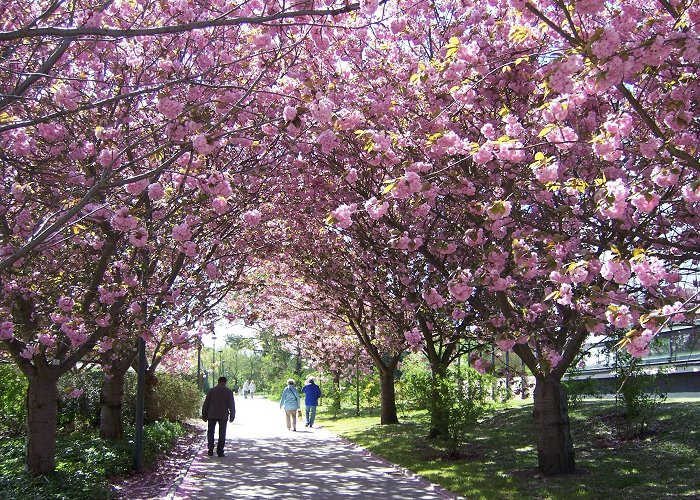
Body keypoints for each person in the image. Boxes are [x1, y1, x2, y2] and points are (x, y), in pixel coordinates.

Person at [201, 376, 236, 457]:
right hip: (223, 415)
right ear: (225, 382)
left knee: (210, 432)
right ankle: (220, 451)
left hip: (212, 414)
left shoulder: (211, 390)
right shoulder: (228, 392)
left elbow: (206, 403)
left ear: (218, 381)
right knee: (222, 433)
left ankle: (210, 449)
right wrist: (232, 416)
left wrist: (204, 414)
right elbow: (231, 405)